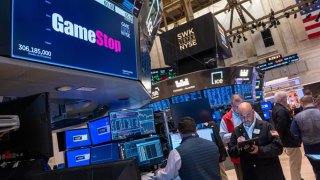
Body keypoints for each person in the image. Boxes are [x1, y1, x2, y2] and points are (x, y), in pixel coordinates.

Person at [229, 102, 285, 180]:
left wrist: (259, 150)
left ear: (253, 112)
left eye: (248, 115)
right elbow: (232, 153)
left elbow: (278, 148)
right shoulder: (237, 131)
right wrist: (239, 146)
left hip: (270, 173)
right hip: (250, 174)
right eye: (242, 116)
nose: (245, 119)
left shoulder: (267, 126)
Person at [156, 117, 221, 180]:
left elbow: (166, 176)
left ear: (179, 132)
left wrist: (158, 172)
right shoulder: (213, 145)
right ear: (196, 129)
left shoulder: (176, 153)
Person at [219, 94, 262, 180]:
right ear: (231, 105)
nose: (239, 108)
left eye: (241, 104)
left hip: (256, 150)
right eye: (236, 106)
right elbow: (223, 137)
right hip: (239, 156)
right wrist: (236, 133)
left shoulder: (252, 112)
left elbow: (262, 126)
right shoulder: (226, 118)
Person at [272, 91, 303, 180]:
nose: (287, 100)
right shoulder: (281, 110)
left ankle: (297, 177)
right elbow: (281, 127)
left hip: (288, 140)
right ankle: (296, 178)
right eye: (286, 98)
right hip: (290, 141)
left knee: (295, 161)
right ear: (282, 99)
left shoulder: (277, 108)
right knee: (295, 162)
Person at [291, 96, 320, 180]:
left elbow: (294, 134)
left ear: (302, 104)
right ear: (313, 101)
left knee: (317, 169)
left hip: (310, 148)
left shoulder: (297, 117)